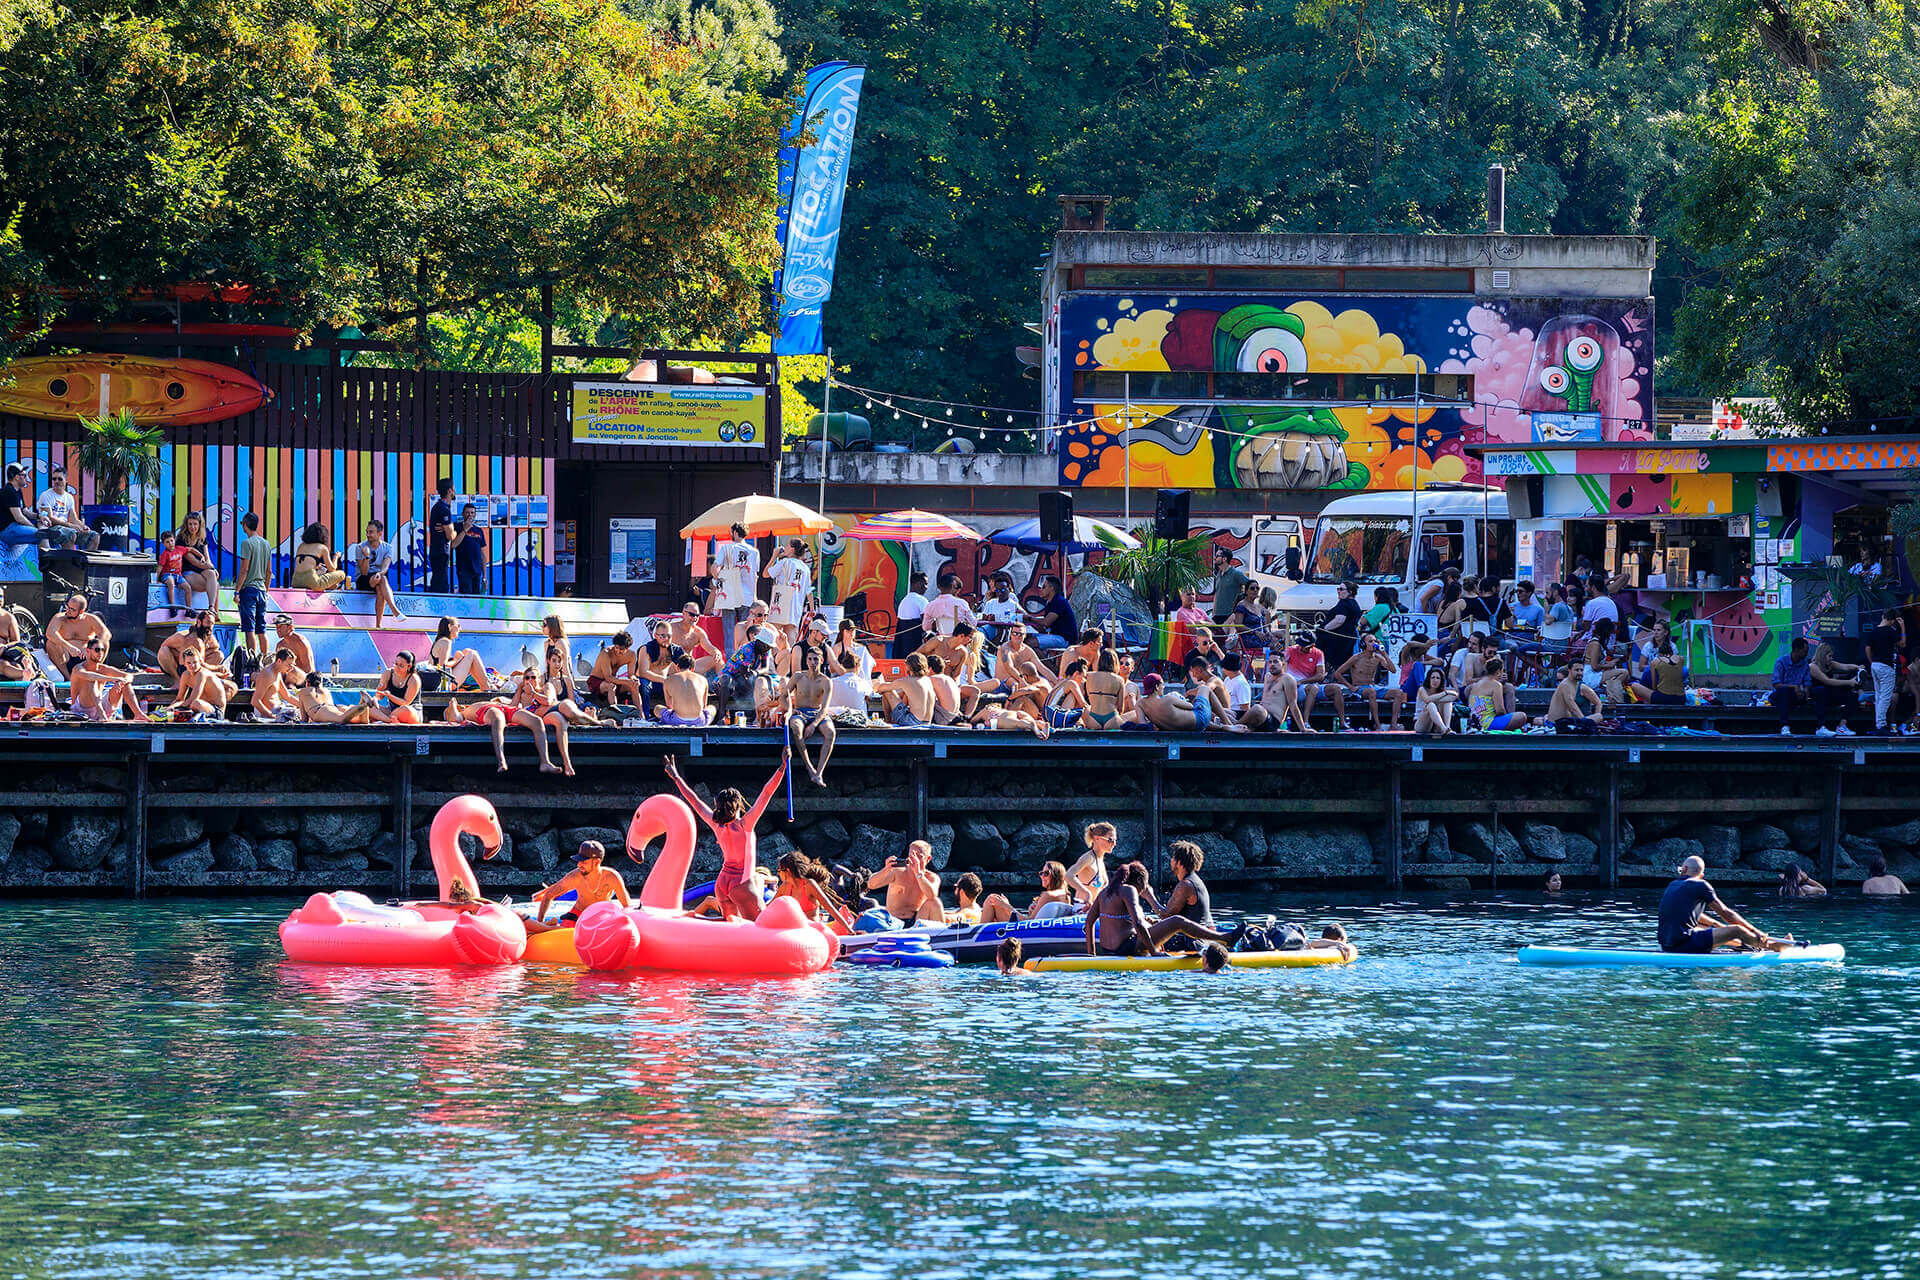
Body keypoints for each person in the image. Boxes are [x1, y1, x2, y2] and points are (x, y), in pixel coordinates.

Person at [664, 752, 789, 921]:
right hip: (741, 882)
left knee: (731, 927)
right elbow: (766, 793)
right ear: (738, 805)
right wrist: (782, 767)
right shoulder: (746, 824)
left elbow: (694, 800)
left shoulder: (716, 824)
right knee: (760, 925)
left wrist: (676, 777)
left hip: (722, 882)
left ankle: (696, 919)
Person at [1658, 855, 1791, 954]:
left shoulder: (1673, 884)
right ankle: (1773, 946)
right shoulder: (1701, 884)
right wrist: (1756, 932)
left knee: (1705, 926)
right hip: (1684, 945)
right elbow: (1726, 912)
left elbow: (1691, 915)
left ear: (1684, 869)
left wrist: (1718, 926)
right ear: (1702, 874)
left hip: (1666, 944)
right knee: (1737, 930)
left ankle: (1743, 945)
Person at [529, 842, 632, 932]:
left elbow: (625, 903)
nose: (579, 865)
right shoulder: (574, 877)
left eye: (584, 862)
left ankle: (550, 925)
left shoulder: (611, 877)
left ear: (596, 862)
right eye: (578, 861)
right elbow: (549, 894)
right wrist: (539, 923)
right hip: (578, 914)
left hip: (601, 916)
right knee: (566, 933)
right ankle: (548, 925)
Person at [1085, 862, 1165, 958]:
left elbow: (1089, 922)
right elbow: (1138, 924)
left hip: (1107, 951)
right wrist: (1154, 952)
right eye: (1145, 885)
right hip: (1126, 948)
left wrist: (1091, 954)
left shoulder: (1104, 892)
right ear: (1139, 880)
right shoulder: (1128, 889)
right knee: (1178, 921)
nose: (1143, 891)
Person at [1330, 633, 1405, 731]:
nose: (1374, 643)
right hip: (1360, 688)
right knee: (1371, 692)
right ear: (1363, 644)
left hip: (1373, 687)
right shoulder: (1356, 657)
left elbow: (1393, 670)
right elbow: (1337, 674)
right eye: (1370, 641)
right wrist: (1350, 687)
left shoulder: (1378, 657)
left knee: (1399, 693)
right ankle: (1377, 725)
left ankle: (1393, 724)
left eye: (1375, 641)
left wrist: (1384, 654)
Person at [785, 644, 837, 783]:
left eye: (816, 659)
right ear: (806, 660)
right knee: (795, 728)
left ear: (821, 660)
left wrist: (814, 724)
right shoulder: (798, 676)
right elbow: (783, 696)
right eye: (810, 659)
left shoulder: (826, 681)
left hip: (817, 712)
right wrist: (791, 709)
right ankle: (809, 767)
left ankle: (819, 772)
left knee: (831, 733)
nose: (813, 662)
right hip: (800, 711)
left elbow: (825, 708)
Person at [774, 851, 857, 934]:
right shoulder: (785, 886)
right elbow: (768, 907)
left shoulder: (809, 884)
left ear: (787, 871)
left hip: (812, 932)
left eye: (779, 870)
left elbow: (830, 908)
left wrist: (849, 930)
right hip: (794, 931)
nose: (778, 873)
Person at [867, 840, 946, 926]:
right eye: (912, 856)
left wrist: (918, 873)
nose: (915, 860)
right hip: (894, 922)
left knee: (935, 902)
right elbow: (871, 885)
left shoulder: (932, 877)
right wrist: (885, 870)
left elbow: (932, 895)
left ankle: (942, 935)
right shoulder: (898, 872)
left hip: (916, 921)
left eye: (919, 857)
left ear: (928, 859)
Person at [68, 640, 149, 722]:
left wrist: (121, 682)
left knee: (126, 683)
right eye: (97, 650)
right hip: (82, 710)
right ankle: (101, 714)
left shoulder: (103, 668)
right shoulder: (78, 668)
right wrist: (114, 679)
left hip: (101, 704)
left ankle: (138, 713)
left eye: (103, 650)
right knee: (91, 680)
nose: (100, 653)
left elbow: (129, 676)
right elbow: (88, 675)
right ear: (88, 651)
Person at [712, 624, 778, 720]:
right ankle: (722, 714)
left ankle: (757, 714)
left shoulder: (765, 650)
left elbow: (765, 668)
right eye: (766, 646)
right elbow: (744, 672)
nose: (767, 649)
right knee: (726, 679)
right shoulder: (748, 649)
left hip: (742, 679)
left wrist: (757, 673)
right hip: (729, 679)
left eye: (769, 647)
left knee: (765, 679)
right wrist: (754, 674)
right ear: (759, 642)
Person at [348, 519, 405, 627]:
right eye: (367, 532)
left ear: (379, 534)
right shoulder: (360, 547)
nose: (368, 535)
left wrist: (380, 574)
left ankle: (378, 625)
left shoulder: (388, 547)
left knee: (380, 588)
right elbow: (364, 572)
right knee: (382, 580)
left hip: (378, 578)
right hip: (363, 579)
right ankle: (395, 611)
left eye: (371, 532)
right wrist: (366, 556)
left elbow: (385, 566)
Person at [980, 860, 1076, 924]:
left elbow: (1029, 922)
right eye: (1041, 873)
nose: (1042, 876)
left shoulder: (1047, 895)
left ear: (1056, 875)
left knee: (991, 899)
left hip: (1026, 930)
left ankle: (977, 936)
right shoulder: (1065, 895)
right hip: (1036, 930)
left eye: (1046, 873)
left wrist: (1005, 906)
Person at [711, 523, 761, 642]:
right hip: (747, 595)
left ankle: (730, 658)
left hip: (729, 594)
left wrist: (720, 579)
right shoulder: (754, 552)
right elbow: (755, 576)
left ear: (734, 532)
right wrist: (755, 596)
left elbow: (714, 567)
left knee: (729, 631)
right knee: (746, 630)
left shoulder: (726, 548)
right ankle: (745, 657)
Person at [234, 511, 272, 658]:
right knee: (261, 630)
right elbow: (269, 572)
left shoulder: (247, 543)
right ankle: (265, 659)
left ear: (245, 525)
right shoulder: (266, 544)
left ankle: (253, 661)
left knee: (249, 629)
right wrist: (266, 590)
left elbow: (244, 569)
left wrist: (237, 591)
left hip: (249, 590)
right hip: (262, 591)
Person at [44, 592, 110, 673]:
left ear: (81, 611)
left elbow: (106, 634)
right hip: (65, 657)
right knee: (50, 643)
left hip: (85, 657)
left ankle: (94, 671)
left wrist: (90, 648)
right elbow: (50, 633)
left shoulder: (90, 619)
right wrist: (69, 646)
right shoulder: (60, 618)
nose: (68, 610)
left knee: (105, 643)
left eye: (72, 609)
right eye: (68, 607)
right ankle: (67, 677)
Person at [35, 466, 97, 550]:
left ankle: (84, 562)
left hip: (65, 527)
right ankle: (67, 562)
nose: (56, 481)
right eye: (54, 479)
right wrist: (70, 525)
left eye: (60, 479)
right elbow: (49, 518)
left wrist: (83, 526)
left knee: (94, 536)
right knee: (71, 534)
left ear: (66, 480)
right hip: (52, 528)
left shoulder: (69, 497)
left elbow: (73, 519)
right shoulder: (46, 495)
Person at [1810, 641, 1862, 738]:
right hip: (1818, 696)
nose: (1831, 658)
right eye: (1829, 656)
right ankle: (1820, 727)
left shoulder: (1830, 664)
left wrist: (1857, 667)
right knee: (1821, 690)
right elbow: (1827, 681)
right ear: (1822, 655)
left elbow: (1845, 667)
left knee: (1853, 695)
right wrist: (1849, 682)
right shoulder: (1813, 666)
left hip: (1829, 694)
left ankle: (1842, 726)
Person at [1866, 608, 1905, 734]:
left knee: (1878, 696)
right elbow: (1902, 644)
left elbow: (1867, 648)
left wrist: (1872, 662)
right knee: (1885, 697)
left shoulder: (1874, 631)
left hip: (1875, 665)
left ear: (1883, 616)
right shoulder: (1891, 631)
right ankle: (1881, 725)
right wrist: (1903, 626)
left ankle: (1878, 725)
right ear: (1893, 620)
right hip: (1886, 666)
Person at [764, 537, 811, 640]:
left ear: (792, 549)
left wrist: (774, 556)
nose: (784, 548)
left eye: (787, 546)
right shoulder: (805, 568)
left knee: (774, 635)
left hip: (781, 600)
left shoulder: (785, 562)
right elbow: (809, 590)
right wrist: (812, 609)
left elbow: (766, 574)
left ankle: (775, 656)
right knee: (791, 638)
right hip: (796, 606)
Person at [1282, 629, 1330, 726]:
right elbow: (1281, 666)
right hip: (1291, 685)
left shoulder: (1318, 653)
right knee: (1313, 688)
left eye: (1303, 645)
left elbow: (1320, 675)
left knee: (1335, 689)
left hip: (1306, 685)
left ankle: (1343, 724)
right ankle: (1304, 722)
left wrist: (1302, 681)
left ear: (1312, 646)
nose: (1300, 647)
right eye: (1300, 644)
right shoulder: (1290, 650)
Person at [878, 651, 939, 728]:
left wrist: (876, 683)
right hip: (927, 722)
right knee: (905, 693)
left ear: (909, 666)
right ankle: (891, 721)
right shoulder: (927, 680)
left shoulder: (906, 681)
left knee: (887, 691)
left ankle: (887, 721)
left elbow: (881, 688)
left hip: (912, 721)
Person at [1467, 657, 1528, 731]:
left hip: (1474, 723)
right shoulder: (1496, 685)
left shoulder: (1475, 685)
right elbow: (1500, 710)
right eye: (1502, 671)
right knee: (1522, 716)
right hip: (1487, 723)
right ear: (1498, 671)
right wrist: (1508, 719)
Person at [175, 512, 219, 614]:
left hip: (202, 571)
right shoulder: (181, 539)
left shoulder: (202, 538)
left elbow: (207, 558)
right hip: (187, 571)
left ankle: (211, 608)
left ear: (200, 525)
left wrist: (212, 569)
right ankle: (215, 613)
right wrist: (211, 567)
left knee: (212, 575)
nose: (192, 527)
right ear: (186, 525)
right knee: (215, 585)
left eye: (195, 524)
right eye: (190, 524)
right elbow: (194, 562)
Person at [1066, 822, 1117, 906]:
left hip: (1095, 909)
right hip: (1082, 909)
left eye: (1115, 840)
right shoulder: (1088, 858)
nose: (1114, 843)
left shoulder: (1100, 860)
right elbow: (1068, 875)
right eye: (1110, 840)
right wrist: (1086, 893)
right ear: (1097, 838)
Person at [1771, 636, 1814, 736]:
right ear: (1797, 650)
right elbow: (1776, 684)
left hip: (1796, 695)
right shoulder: (1781, 662)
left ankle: (1820, 726)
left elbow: (1807, 683)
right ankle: (1784, 725)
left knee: (1819, 691)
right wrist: (1794, 687)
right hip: (1781, 695)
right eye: (1805, 651)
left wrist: (1806, 696)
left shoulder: (1805, 664)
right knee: (1784, 692)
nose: (1807, 654)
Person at [169, 646, 228, 717]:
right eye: (189, 663)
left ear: (200, 661)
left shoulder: (202, 674)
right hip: (200, 708)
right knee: (177, 708)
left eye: (195, 662)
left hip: (216, 711)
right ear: (184, 663)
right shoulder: (185, 675)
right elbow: (179, 699)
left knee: (196, 703)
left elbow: (193, 699)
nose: (192, 665)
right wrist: (167, 709)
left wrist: (173, 708)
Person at [1317, 579, 1363, 671]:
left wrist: (1324, 628)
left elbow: (1339, 620)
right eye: (1338, 589)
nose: (1338, 591)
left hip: (1337, 640)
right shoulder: (1354, 603)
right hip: (1348, 637)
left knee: (1327, 658)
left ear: (1350, 592)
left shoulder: (1344, 603)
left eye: (1341, 589)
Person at [369, 650, 424, 725]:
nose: (397, 668)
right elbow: (379, 696)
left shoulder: (414, 679)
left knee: (405, 709)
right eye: (396, 664)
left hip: (410, 712)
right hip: (391, 710)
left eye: (401, 666)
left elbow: (406, 703)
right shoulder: (388, 673)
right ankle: (389, 720)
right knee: (367, 707)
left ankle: (384, 719)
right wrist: (379, 693)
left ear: (409, 666)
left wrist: (389, 696)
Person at [249, 647, 302, 722]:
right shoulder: (267, 674)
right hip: (270, 713)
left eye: (292, 665)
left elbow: (287, 696)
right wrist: (271, 716)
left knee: (304, 712)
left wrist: (304, 706)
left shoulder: (278, 672)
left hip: (278, 709)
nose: (291, 668)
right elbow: (255, 701)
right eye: (289, 665)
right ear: (279, 661)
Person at [298, 672, 374, 725]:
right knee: (362, 721)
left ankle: (364, 705)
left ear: (307, 682)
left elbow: (304, 719)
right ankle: (363, 702)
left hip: (319, 710)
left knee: (341, 719)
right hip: (331, 708)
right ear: (321, 683)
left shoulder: (303, 691)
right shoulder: (326, 690)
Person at [291, 522, 347, 592]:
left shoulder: (301, 546)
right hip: (311, 581)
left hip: (296, 581)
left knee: (333, 585)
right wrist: (336, 557)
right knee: (341, 574)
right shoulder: (322, 547)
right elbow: (332, 569)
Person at [669, 603, 724, 674]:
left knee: (718, 660)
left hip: (689, 666)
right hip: (672, 667)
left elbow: (709, 647)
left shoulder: (698, 632)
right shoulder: (671, 628)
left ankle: (721, 683)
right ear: (683, 613)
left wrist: (716, 652)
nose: (695, 618)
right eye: (691, 614)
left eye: (697, 615)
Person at [920, 573, 978, 639]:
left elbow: (925, 627)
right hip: (959, 642)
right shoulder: (962, 603)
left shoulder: (931, 605)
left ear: (939, 587)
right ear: (952, 586)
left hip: (942, 643)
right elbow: (973, 623)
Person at [1547, 660, 1604, 725]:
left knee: (1598, 716)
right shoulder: (1566, 684)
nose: (1580, 672)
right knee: (1598, 717)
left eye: (1581, 670)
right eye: (1577, 670)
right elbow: (1572, 707)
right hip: (1559, 724)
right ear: (1569, 670)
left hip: (1567, 720)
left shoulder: (1579, 685)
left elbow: (1598, 703)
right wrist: (1584, 721)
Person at [2, 462, 44, 548]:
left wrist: (39, 516)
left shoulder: (17, 490)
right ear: (17, 477)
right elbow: (19, 518)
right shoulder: (9, 491)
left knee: (43, 528)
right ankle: (44, 559)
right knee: (40, 535)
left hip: (15, 526)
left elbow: (25, 512)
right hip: (7, 530)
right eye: (24, 475)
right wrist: (34, 527)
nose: (26, 478)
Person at [1031, 575, 1076, 652]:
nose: (1041, 589)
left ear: (1051, 588)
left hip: (1065, 639)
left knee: (1030, 643)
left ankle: (1046, 664)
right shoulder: (1050, 603)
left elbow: (1045, 622)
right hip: (1055, 636)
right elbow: (1043, 627)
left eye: (1044, 587)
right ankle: (1045, 663)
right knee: (1025, 638)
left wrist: (1028, 618)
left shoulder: (1059, 601)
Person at [427, 477, 457, 593]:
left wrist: (448, 528)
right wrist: (453, 531)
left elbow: (447, 530)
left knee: (437, 581)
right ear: (450, 491)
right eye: (453, 489)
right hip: (440, 551)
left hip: (436, 550)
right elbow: (450, 536)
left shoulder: (437, 507)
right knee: (441, 585)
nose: (454, 491)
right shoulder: (443, 509)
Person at [892, 571, 930, 658]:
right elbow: (927, 622)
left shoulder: (904, 600)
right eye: (925, 584)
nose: (926, 587)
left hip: (902, 645)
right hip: (915, 642)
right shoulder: (921, 600)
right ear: (917, 583)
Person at [454, 502, 488, 595]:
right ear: (463, 514)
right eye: (467, 512)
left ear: (475, 514)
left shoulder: (479, 530)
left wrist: (484, 576)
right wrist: (465, 529)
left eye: (472, 512)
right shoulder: (457, 527)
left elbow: (482, 554)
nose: (470, 515)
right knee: (466, 597)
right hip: (464, 570)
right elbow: (454, 545)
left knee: (476, 598)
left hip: (477, 571)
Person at [978, 574, 1022, 646]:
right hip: (987, 628)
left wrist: (995, 618)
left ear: (1008, 588)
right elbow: (980, 616)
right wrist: (984, 617)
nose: (1000, 593)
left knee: (981, 635)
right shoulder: (990, 603)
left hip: (1002, 631)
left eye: (1003, 590)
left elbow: (1009, 618)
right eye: (998, 590)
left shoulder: (1012, 604)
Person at [1210, 546, 1247, 629]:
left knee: (1228, 640)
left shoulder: (1236, 574)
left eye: (1217, 556)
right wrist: (1213, 612)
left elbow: (1251, 585)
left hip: (1230, 615)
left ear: (1224, 559)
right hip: (1217, 616)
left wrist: (1242, 604)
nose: (1214, 558)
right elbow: (1217, 593)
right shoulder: (1219, 574)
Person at [155, 529, 189, 617]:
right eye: (167, 542)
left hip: (178, 576)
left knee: (187, 587)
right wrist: (157, 579)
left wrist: (201, 556)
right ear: (163, 544)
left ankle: (189, 609)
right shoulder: (165, 554)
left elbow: (191, 549)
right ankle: (172, 606)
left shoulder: (180, 549)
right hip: (167, 575)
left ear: (174, 540)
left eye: (171, 541)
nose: (170, 543)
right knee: (170, 582)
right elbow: (160, 568)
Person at [1414, 666, 1457, 735]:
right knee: (1431, 705)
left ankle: (1447, 728)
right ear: (1429, 679)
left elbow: (1454, 696)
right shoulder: (1422, 689)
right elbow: (1427, 699)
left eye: (1438, 678)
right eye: (1433, 677)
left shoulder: (1441, 692)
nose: (1435, 680)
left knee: (1447, 702)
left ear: (1441, 681)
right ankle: (1444, 728)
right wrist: (1445, 693)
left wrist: (1443, 695)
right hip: (1422, 725)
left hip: (1436, 726)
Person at [271, 615, 316, 682]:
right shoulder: (280, 645)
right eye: (276, 627)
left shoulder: (300, 642)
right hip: (289, 680)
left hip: (306, 679)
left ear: (290, 627)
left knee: (291, 669)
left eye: (280, 626)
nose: (277, 630)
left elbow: (309, 669)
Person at [1647, 642, 1687, 706]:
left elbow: (1654, 687)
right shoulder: (1681, 659)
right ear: (1672, 652)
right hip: (1681, 698)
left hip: (1663, 697)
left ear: (1659, 654)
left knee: (1634, 685)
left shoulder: (1654, 662)